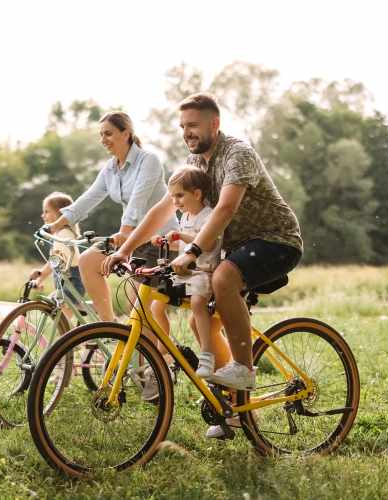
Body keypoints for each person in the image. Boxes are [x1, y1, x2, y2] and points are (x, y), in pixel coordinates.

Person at [103, 93, 303, 433]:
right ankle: (232, 407)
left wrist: (193, 251)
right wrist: (126, 249)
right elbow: (163, 209)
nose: (187, 132)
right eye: (183, 126)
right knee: (203, 323)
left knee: (224, 279)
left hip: (276, 240)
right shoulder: (194, 165)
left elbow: (226, 208)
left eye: (193, 125)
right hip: (235, 247)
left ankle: (244, 368)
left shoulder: (238, 154)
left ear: (214, 124)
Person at [46, 111, 178, 332]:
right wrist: (57, 224)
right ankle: (111, 329)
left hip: (160, 242)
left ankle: (157, 359)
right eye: (101, 134)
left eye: (108, 133)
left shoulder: (149, 161)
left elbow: (138, 200)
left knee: (139, 309)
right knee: (89, 260)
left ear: (126, 133)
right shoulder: (110, 168)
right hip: (131, 239)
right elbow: (88, 198)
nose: (103, 140)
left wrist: (125, 231)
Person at [151, 166, 229, 376]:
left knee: (197, 303)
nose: (175, 201)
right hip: (186, 270)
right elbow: (184, 248)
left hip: (205, 271)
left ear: (196, 194)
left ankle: (206, 354)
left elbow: (209, 245)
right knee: (156, 302)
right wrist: (167, 241)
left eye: (179, 195)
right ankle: (162, 352)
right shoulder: (185, 217)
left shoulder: (208, 216)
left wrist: (181, 237)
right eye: (172, 196)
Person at [29, 191, 85, 320]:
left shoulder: (64, 235)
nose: (43, 215)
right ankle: (79, 339)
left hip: (72, 284)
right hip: (66, 284)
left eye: (47, 211)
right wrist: (40, 277)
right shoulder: (59, 235)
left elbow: (54, 262)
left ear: (59, 213)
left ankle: (78, 339)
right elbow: (53, 262)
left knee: (62, 320)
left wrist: (40, 278)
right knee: (57, 317)